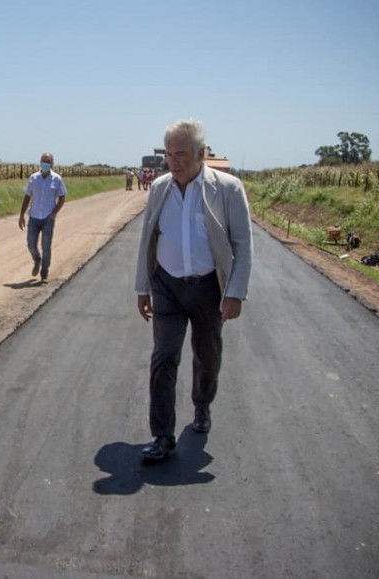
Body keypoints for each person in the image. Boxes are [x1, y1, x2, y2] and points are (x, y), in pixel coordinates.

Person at [134, 119, 253, 461]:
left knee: (207, 356)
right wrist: (143, 287)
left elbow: (242, 244)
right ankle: (162, 436)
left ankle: (201, 406)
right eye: (169, 154)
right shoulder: (158, 188)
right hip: (167, 286)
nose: (174, 161)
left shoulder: (227, 189)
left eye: (182, 154)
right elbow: (147, 239)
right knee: (163, 357)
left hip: (207, 288)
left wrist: (235, 292)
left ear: (201, 154)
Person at [18, 152, 67, 283]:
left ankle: (44, 273)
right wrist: (22, 214)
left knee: (46, 246)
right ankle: (37, 259)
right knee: (30, 244)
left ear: (52, 164)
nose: (45, 164)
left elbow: (62, 197)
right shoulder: (33, 178)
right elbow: (27, 196)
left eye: (47, 162)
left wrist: (54, 213)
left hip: (48, 218)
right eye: (43, 161)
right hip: (33, 217)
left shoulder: (57, 179)